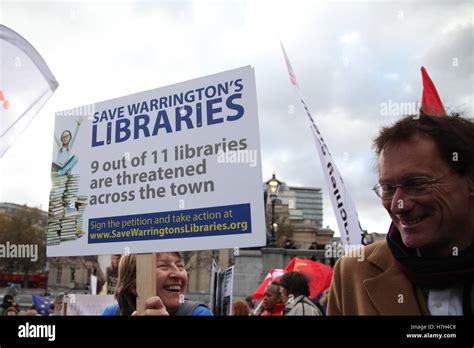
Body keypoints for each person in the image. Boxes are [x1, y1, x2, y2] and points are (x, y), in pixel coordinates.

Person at [102, 252, 213, 316]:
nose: (177, 274)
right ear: (134, 285)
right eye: (163, 266)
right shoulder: (112, 312)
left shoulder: (198, 313)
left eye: (180, 266)